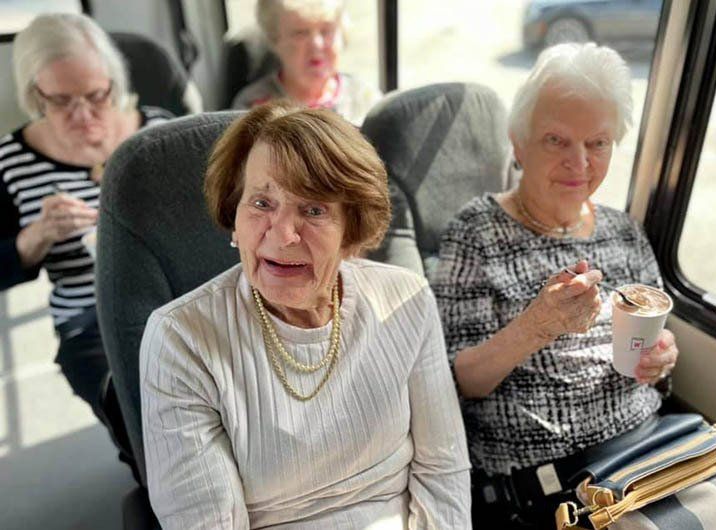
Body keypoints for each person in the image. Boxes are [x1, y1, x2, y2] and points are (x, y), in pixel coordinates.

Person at [140, 101, 471, 529]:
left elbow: (443, 474)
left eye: (314, 210)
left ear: (351, 231)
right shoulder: (180, 340)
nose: (282, 233)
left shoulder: (406, 300)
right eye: (261, 203)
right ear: (235, 218)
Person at [430, 43, 680, 528]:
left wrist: (661, 360)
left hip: (647, 451)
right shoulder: (476, 231)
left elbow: (659, 361)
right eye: (556, 140)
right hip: (552, 482)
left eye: (598, 143)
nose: (580, 163)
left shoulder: (624, 230)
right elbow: (457, 383)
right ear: (518, 145)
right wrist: (538, 326)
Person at [0, 13, 173, 477]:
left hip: (174, 295)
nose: (82, 115)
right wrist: (34, 237)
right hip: (88, 317)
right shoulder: (11, 162)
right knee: (138, 415)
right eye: (60, 101)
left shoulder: (159, 133)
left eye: (96, 96)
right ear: (35, 95)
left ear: (113, 83)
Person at [231, 0, 381, 126]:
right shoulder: (252, 106)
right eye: (300, 33)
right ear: (274, 39)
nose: (317, 44)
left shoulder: (365, 99)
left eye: (326, 31)